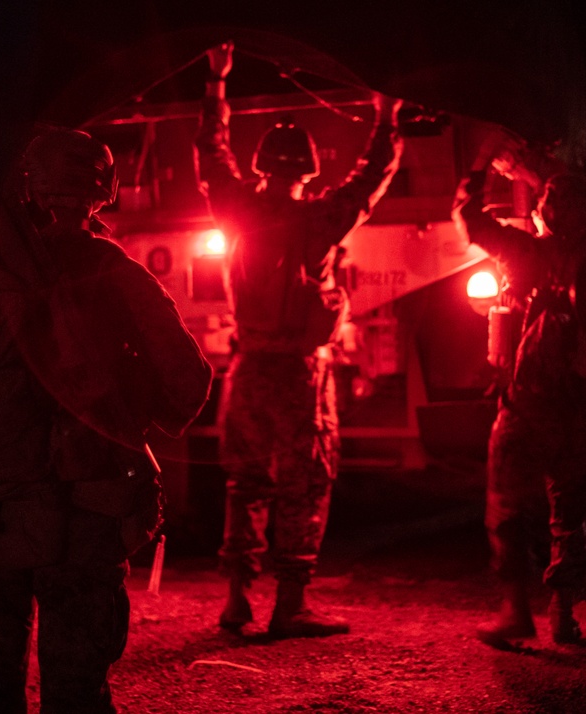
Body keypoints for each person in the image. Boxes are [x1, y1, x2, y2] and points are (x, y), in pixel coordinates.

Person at [0, 127, 211, 712]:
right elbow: (187, 380)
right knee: (76, 685)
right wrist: (129, 419)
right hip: (89, 503)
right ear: (105, 190)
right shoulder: (115, 272)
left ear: (31, 185)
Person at [193, 42, 403, 638]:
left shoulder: (234, 208)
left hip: (249, 367)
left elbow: (210, 152)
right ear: (307, 169)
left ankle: (236, 600)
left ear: (262, 166)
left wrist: (216, 84)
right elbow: (372, 178)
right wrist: (386, 117)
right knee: (304, 482)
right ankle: (290, 604)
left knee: (244, 481)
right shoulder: (320, 220)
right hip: (299, 375)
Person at [453, 156, 586, 649]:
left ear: (544, 211)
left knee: (508, 507)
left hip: (526, 407)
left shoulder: (521, 252)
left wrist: (482, 169)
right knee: (570, 514)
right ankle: (563, 615)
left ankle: (514, 611)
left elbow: (470, 219)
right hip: (580, 403)